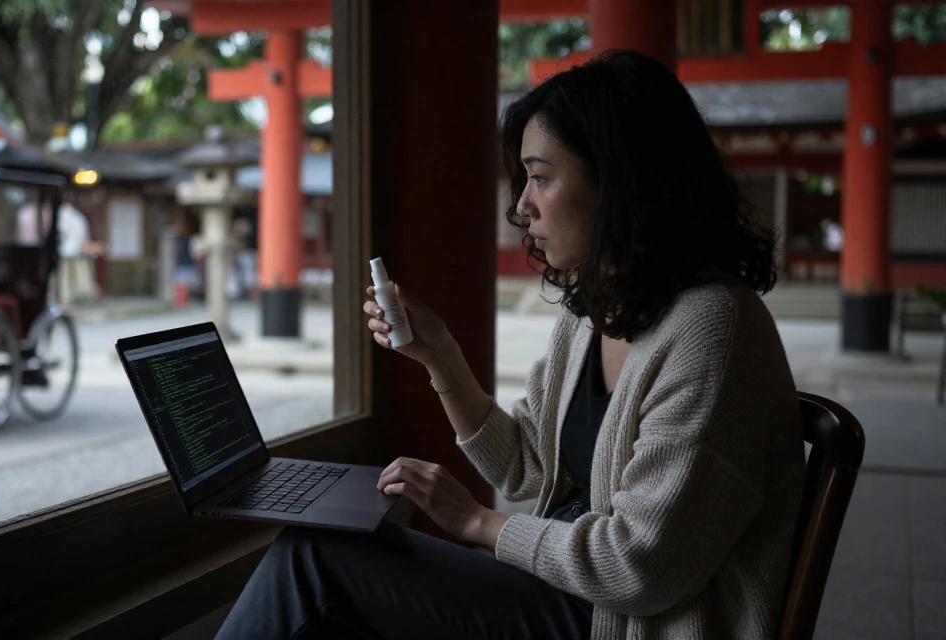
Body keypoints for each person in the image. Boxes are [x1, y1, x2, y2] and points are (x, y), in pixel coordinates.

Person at [215, 49, 806, 640]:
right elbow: (527, 466)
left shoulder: (713, 328)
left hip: (622, 622)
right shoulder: (597, 310)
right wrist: (441, 356)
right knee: (329, 576)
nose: (522, 205)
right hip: (569, 597)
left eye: (541, 177)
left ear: (619, 178)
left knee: (313, 564)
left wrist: (476, 521)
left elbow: (640, 565)